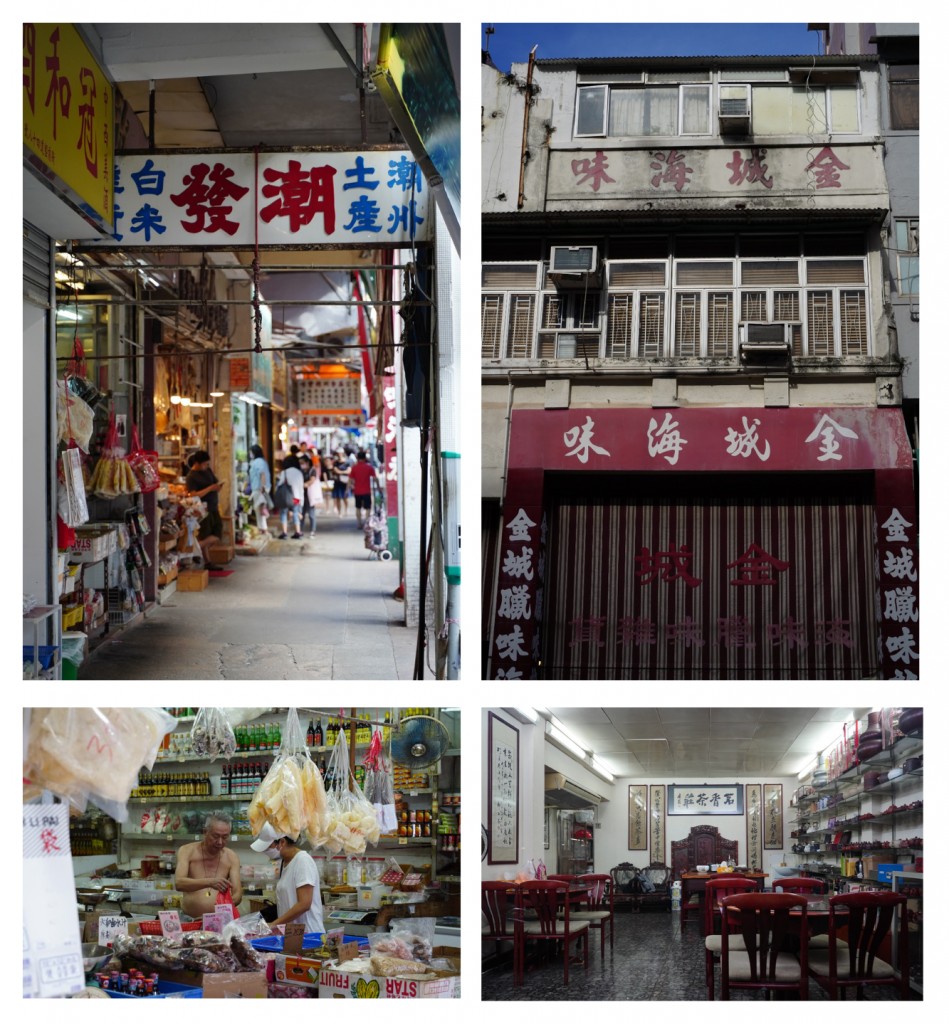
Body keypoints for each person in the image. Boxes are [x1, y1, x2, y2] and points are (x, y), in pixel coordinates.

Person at [250, 823, 324, 934]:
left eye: (268, 846)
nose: (265, 850)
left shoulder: (303, 860)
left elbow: (304, 904)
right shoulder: (285, 862)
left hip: (309, 934)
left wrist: (274, 924)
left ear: (282, 842)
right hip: (292, 935)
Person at [175, 812, 243, 920]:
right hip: (189, 919)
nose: (220, 842)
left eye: (225, 837)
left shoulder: (232, 857)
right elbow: (179, 883)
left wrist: (225, 908)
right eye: (215, 836)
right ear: (205, 832)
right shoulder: (187, 851)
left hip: (219, 920)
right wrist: (210, 882)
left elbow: (238, 894)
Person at [185, 450, 225, 569]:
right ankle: (195, 550)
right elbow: (192, 494)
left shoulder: (207, 471)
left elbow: (214, 483)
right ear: (197, 463)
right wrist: (210, 488)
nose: (206, 466)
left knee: (217, 532)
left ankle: (204, 559)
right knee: (208, 534)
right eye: (205, 464)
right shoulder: (191, 476)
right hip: (202, 509)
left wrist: (218, 487)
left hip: (214, 506)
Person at [275, 457, 304, 539]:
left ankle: (284, 533)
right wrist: (301, 502)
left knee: (283, 513)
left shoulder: (284, 472)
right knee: (295, 513)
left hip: (286, 496)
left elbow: (280, 483)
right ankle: (298, 532)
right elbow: (301, 488)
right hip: (296, 497)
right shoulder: (299, 473)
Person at [349, 450, 377, 528]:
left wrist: (346, 490)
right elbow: (375, 478)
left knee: (358, 507)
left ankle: (359, 524)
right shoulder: (369, 467)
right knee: (368, 507)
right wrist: (378, 487)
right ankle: (367, 523)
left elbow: (350, 479)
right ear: (365, 458)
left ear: (357, 458)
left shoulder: (354, 468)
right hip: (366, 491)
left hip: (357, 491)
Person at [247, 444, 272, 531]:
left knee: (260, 509)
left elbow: (262, 474)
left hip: (259, 488)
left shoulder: (258, 462)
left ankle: (263, 529)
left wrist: (263, 487)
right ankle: (262, 528)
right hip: (260, 488)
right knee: (260, 508)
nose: (250, 454)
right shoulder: (262, 461)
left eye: (251, 452)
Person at [331, 449, 350, 518]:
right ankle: (340, 512)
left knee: (345, 498)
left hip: (345, 482)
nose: (338, 454)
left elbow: (349, 471)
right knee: (338, 498)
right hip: (338, 482)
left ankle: (346, 508)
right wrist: (343, 472)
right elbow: (335, 471)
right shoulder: (335, 463)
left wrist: (340, 472)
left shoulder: (347, 461)